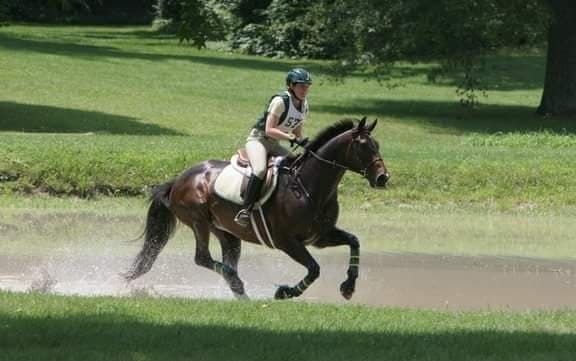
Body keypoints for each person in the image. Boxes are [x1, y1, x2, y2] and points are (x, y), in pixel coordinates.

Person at [234, 68, 312, 227]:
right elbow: (269, 129)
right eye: (301, 86)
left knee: (297, 165)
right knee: (260, 170)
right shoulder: (280, 101)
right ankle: (245, 210)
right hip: (258, 140)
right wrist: (291, 138)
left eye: (307, 86)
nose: (305, 90)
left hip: (274, 144)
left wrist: (304, 142)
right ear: (291, 85)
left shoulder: (304, 106)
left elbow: (297, 132)